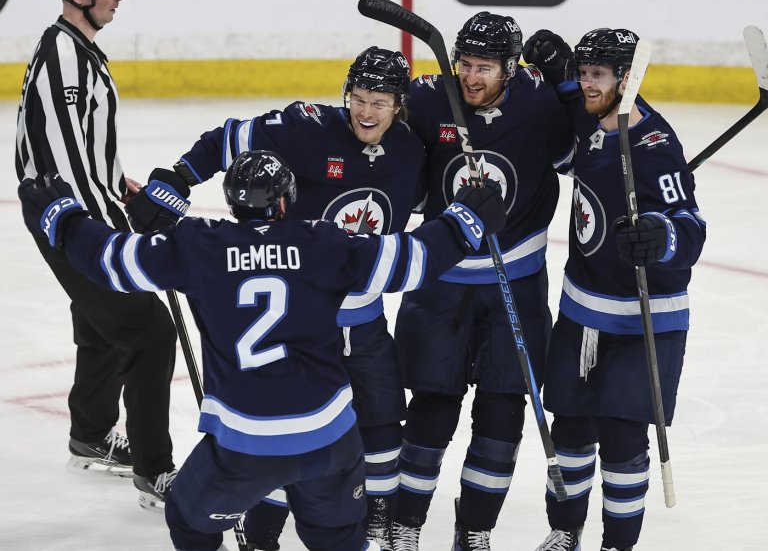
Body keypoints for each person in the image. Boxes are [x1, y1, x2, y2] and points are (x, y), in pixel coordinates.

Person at [17, 150, 507, 551]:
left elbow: (110, 262)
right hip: (328, 440)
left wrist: (62, 218)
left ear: (232, 203)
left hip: (244, 446)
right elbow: (412, 261)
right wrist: (464, 221)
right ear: (286, 201)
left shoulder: (198, 246)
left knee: (188, 518)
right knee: (337, 538)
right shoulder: (324, 243)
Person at [150, 46, 424, 550]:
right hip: (303, 322)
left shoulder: (411, 148)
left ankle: (377, 523)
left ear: (398, 106)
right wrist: (179, 177)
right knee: (286, 435)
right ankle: (263, 535)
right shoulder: (307, 127)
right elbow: (228, 139)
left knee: (384, 424)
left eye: (380, 103)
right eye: (359, 98)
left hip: (365, 321)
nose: (366, 112)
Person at [391, 12, 574, 550]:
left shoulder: (540, 103)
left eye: (485, 68)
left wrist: (566, 80)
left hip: (516, 279)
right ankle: (405, 523)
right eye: (465, 65)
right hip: (441, 281)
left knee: (502, 410)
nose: (471, 77)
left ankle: (475, 530)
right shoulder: (428, 100)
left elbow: (586, 150)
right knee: (432, 404)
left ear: (510, 69)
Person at [521, 28, 706, 551]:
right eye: (583, 73)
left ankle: (616, 545)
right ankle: (565, 532)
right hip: (582, 310)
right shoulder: (591, 116)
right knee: (570, 431)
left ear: (626, 79)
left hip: (645, 319)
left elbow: (691, 226)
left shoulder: (656, 146)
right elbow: (569, 142)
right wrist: (557, 73)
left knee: (623, 441)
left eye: (597, 75)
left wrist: (660, 237)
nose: (587, 84)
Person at [14, 0, 178, 510]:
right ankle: (155, 470)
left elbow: (79, 147)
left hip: (75, 208)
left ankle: (89, 432)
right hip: (66, 219)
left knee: (101, 320)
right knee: (149, 331)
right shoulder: (64, 55)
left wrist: (117, 185)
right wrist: (108, 234)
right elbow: (62, 164)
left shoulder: (76, 48)